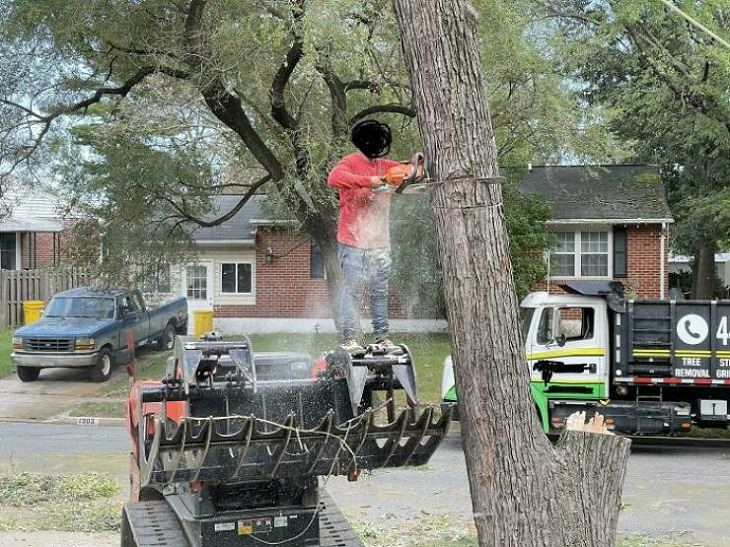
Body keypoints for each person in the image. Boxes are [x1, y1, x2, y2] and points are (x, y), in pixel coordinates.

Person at [327, 119, 401, 354]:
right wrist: (369, 182)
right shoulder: (349, 163)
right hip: (353, 242)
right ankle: (349, 339)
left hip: (379, 243)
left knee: (380, 291)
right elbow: (333, 178)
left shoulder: (386, 166)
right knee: (353, 291)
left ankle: (382, 337)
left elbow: (408, 171)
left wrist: (416, 167)